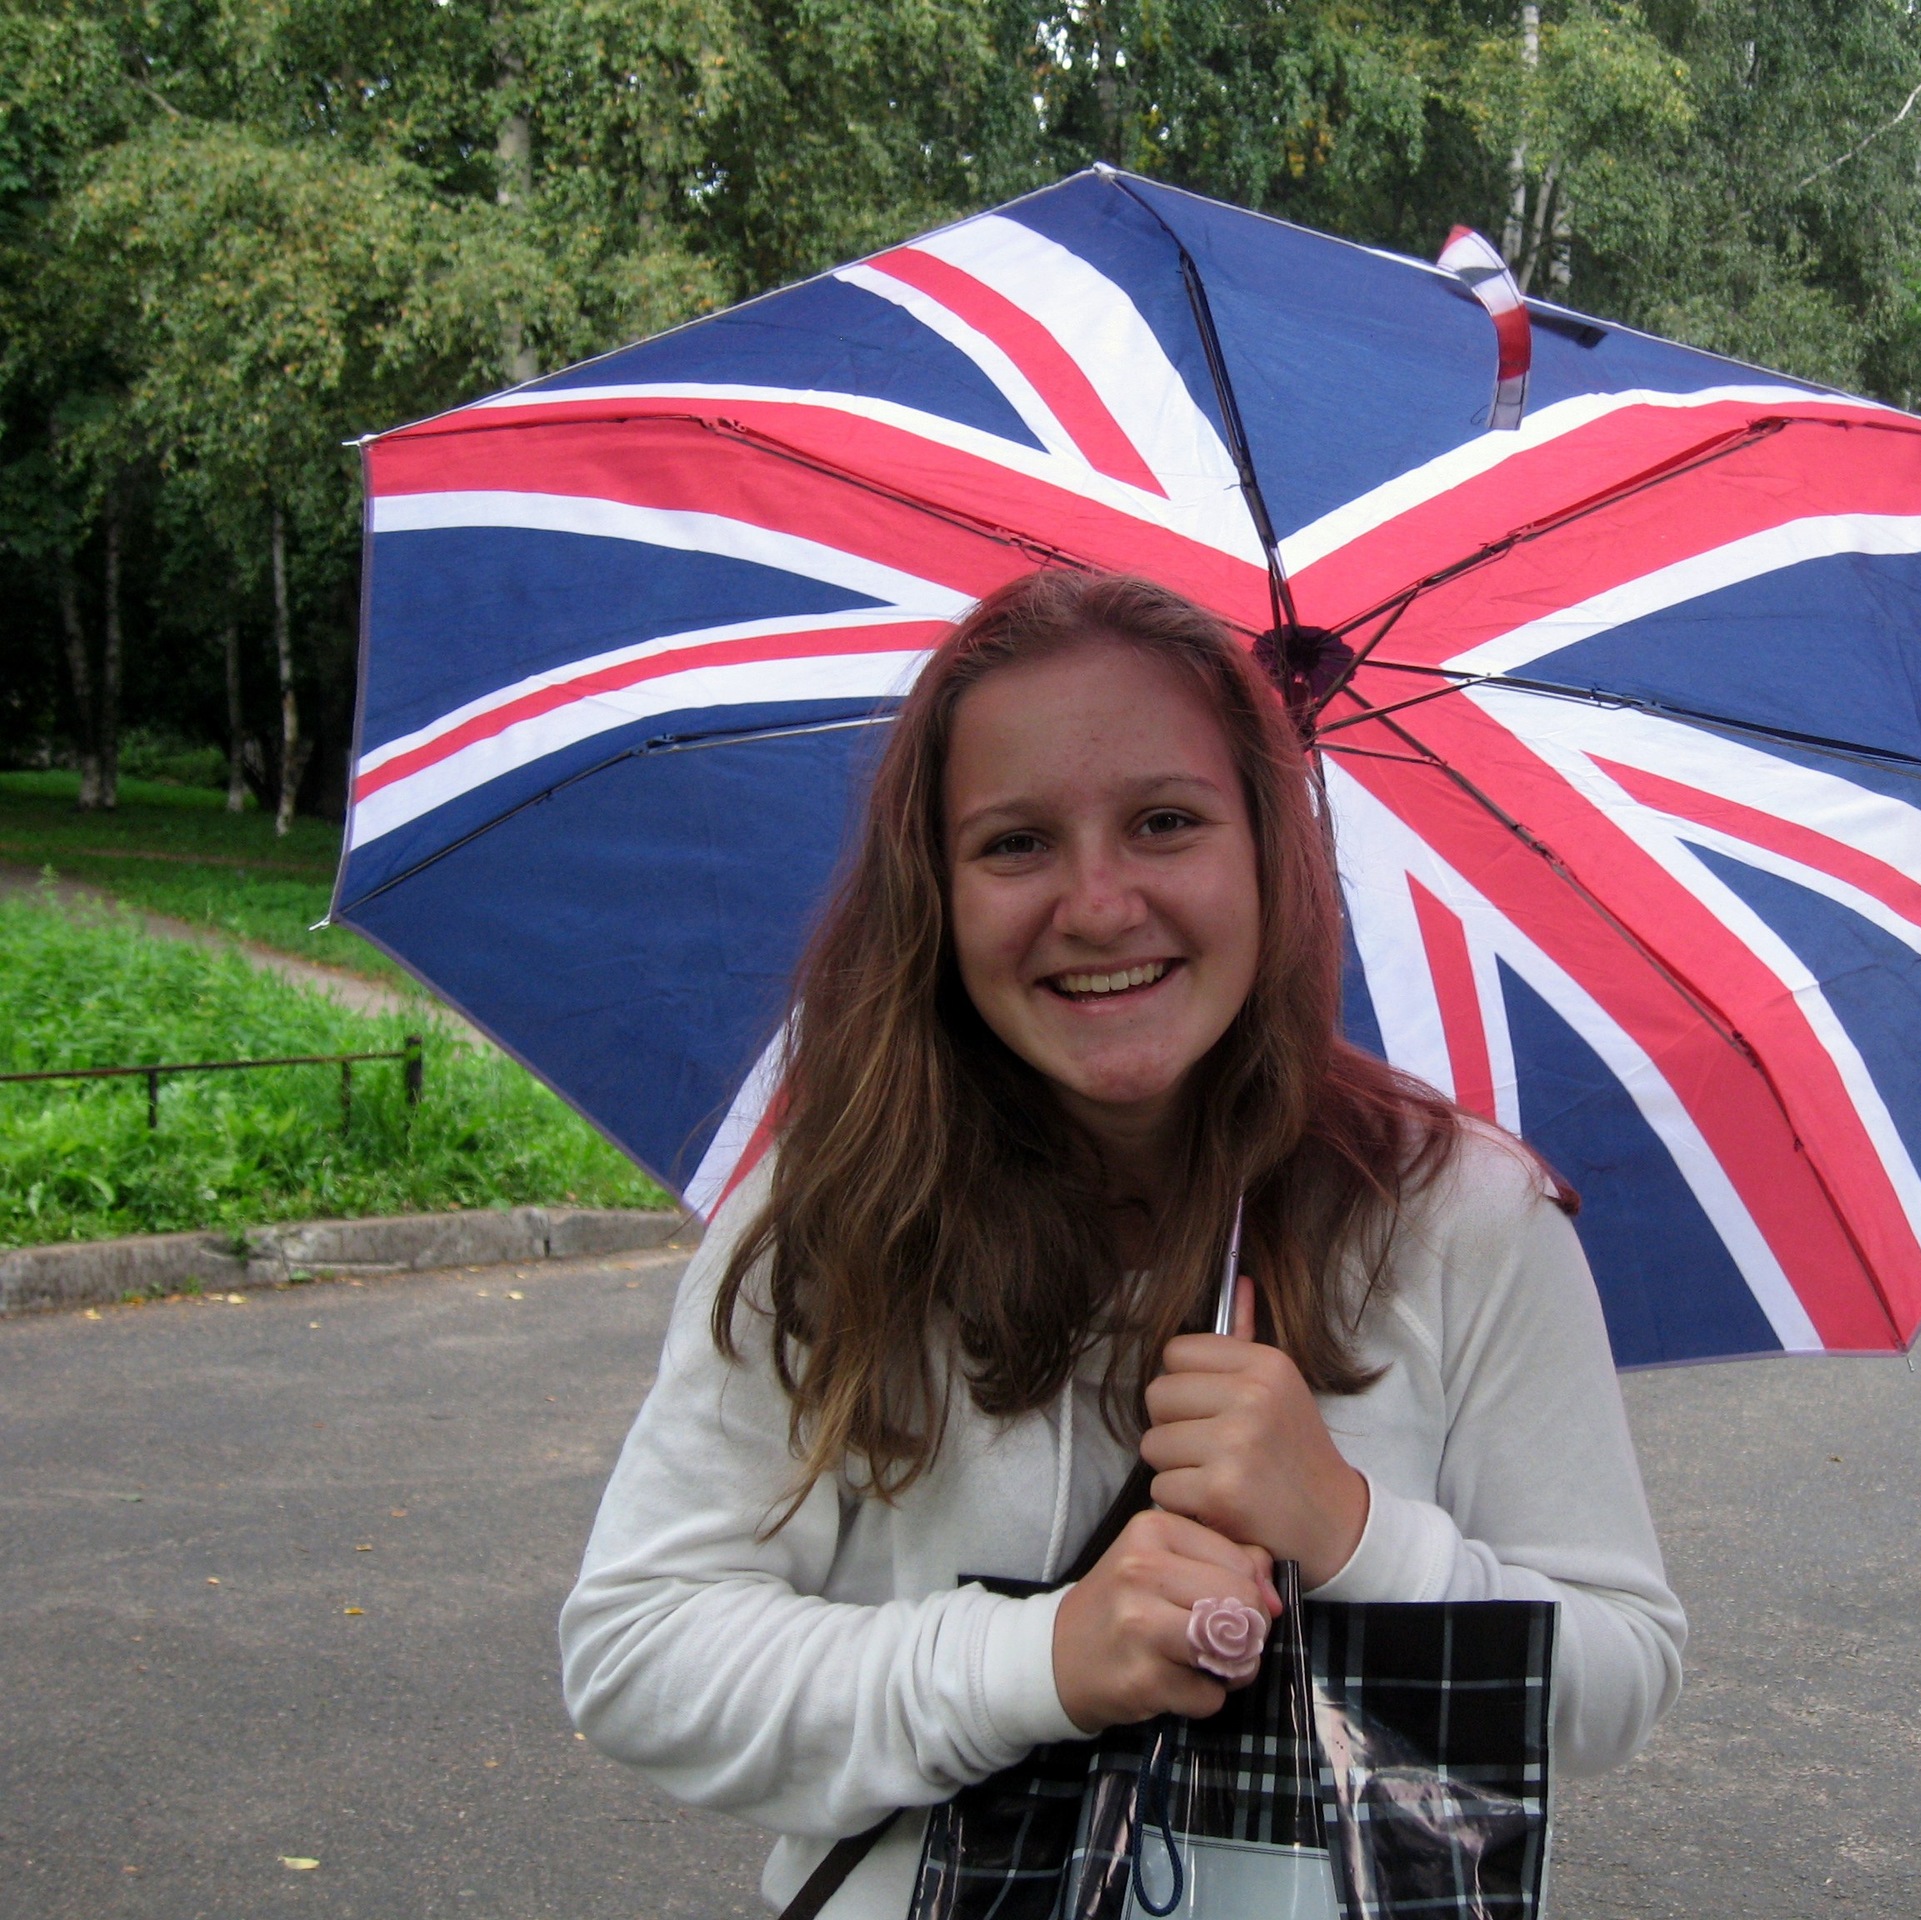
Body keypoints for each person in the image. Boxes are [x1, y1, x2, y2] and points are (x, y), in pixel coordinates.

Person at [558, 571, 1686, 1916]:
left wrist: (1353, 1532)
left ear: (1269, 852)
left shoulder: (1465, 1219)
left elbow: (1617, 1676)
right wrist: (1041, 1662)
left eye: (1165, 821)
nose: (1096, 906)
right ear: (935, 890)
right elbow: (642, 1649)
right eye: (1015, 843)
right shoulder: (833, 1218)